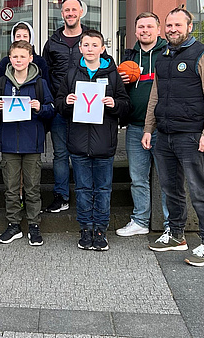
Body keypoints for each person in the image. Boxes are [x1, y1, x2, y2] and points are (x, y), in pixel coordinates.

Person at [143, 7, 204, 267]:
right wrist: (148, 128)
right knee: (171, 189)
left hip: (192, 136)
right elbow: (155, 95)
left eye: (178, 25)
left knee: (200, 190)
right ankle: (176, 235)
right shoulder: (163, 56)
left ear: (189, 27)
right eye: (169, 25)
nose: (172, 29)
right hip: (165, 135)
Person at [55, 30, 129, 251]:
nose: (89, 49)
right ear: (80, 48)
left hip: (104, 144)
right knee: (83, 189)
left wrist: (114, 104)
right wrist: (67, 101)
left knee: (103, 189)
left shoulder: (113, 74)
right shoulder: (71, 74)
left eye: (94, 45)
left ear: (102, 48)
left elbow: (126, 105)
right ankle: (85, 229)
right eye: (85, 45)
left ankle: (100, 230)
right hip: (78, 144)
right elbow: (59, 104)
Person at [0, 40, 55, 246]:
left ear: (30, 59)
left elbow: (51, 109)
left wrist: (41, 107)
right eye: (15, 57)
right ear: (9, 59)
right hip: (9, 142)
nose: (18, 60)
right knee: (11, 187)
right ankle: (13, 225)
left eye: (22, 57)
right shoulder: (2, 83)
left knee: (32, 187)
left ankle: (34, 225)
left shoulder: (40, 83)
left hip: (32, 142)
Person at [115, 12, 171, 238]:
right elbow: (118, 92)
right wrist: (120, 83)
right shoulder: (129, 57)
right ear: (135, 31)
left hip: (164, 127)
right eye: (140, 27)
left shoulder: (169, 54)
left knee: (168, 178)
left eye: (149, 26)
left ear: (158, 29)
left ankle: (170, 223)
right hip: (136, 126)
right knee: (138, 178)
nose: (145, 30)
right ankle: (140, 220)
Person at [42, 0, 88, 213]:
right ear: (62, 14)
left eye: (74, 10)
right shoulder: (52, 42)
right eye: (66, 10)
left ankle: (83, 195)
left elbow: (104, 67)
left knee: (82, 153)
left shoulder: (90, 39)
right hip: (60, 108)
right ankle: (61, 196)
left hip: (86, 106)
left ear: (81, 12)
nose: (70, 13)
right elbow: (45, 73)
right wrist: (52, 101)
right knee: (60, 154)